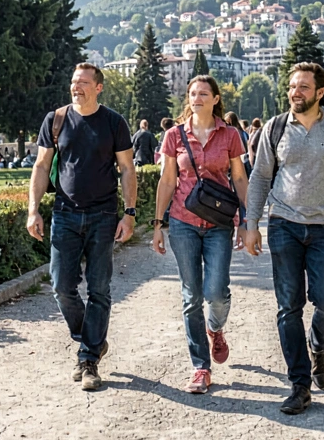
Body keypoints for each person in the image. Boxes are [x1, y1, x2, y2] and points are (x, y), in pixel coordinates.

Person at [242, 62, 324, 415]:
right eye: (292, 87)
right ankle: (300, 384)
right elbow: (260, 177)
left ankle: (319, 344)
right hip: (283, 224)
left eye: (303, 87)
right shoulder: (276, 127)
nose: (295, 92)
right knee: (288, 306)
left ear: (320, 92)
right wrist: (251, 223)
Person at [26, 63, 137, 392]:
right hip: (65, 213)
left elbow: (128, 169)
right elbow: (42, 164)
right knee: (61, 286)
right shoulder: (56, 120)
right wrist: (33, 210)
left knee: (99, 289)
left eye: (84, 83)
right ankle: (91, 339)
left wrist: (129, 213)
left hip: (104, 215)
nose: (77, 87)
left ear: (98, 87)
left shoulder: (114, 122)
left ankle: (88, 358)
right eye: (74, 82)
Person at [151, 75, 251, 394]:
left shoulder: (231, 134)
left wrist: (246, 219)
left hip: (219, 222)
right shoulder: (173, 136)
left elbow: (239, 178)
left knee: (217, 292)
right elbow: (167, 180)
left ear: (216, 99)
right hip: (183, 221)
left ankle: (215, 328)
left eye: (204, 93)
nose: (197, 98)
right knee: (191, 295)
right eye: (193, 93)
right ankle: (200, 367)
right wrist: (157, 223)